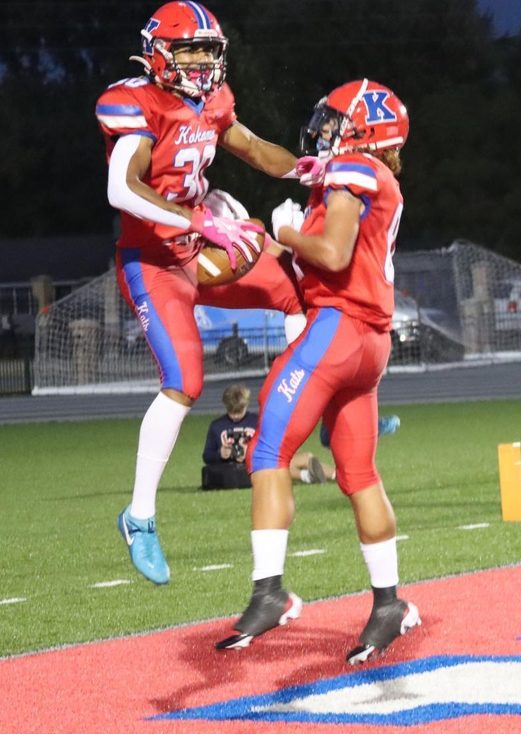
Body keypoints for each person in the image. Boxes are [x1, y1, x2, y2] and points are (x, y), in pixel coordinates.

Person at [96, 2, 321, 585]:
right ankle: (139, 516)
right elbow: (123, 190)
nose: (200, 62)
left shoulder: (212, 102)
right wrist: (201, 222)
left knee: (297, 291)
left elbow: (253, 149)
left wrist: (309, 169)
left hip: (204, 253)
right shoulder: (135, 103)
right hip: (155, 262)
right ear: (158, 52)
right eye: (189, 49)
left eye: (208, 50)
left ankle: (292, 424)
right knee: (186, 383)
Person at [215, 79, 420, 664]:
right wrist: (262, 239)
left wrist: (284, 231)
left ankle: (270, 592)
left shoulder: (353, 170)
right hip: (371, 345)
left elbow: (330, 253)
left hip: (338, 331)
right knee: (358, 474)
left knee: (267, 451)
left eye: (336, 120)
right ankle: (388, 603)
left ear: (363, 129)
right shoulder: (371, 178)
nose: (325, 129)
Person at [202, 384, 333, 489]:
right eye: (232, 412)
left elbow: (272, 444)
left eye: (239, 411)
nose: (235, 415)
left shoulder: (257, 420)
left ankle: (337, 476)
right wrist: (221, 454)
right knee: (272, 465)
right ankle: (307, 476)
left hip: (260, 458)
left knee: (306, 457)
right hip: (242, 469)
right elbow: (207, 456)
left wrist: (250, 451)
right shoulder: (216, 426)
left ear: (246, 405)